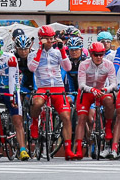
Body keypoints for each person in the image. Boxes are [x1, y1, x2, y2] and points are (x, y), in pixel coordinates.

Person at [27, 25, 74, 160]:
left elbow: (68, 67)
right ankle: (35, 122)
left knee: (66, 116)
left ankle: (68, 149)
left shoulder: (58, 52)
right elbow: (31, 68)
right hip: (42, 88)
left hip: (58, 87)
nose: (49, 41)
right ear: (40, 39)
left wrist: (63, 51)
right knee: (37, 102)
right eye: (46, 39)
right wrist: (40, 50)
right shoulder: (33, 54)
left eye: (51, 38)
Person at [76, 41, 117, 160]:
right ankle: (79, 148)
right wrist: (91, 89)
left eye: (101, 54)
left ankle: (108, 127)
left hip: (101, 91)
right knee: (82, 119)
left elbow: (114, 83)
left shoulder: (108, 64)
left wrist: (106, 89)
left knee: (109, 100)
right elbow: (81, 84)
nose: (99, 57)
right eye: (96, 55)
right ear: (90, 54)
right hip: (87, 92)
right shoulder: (84, 64)